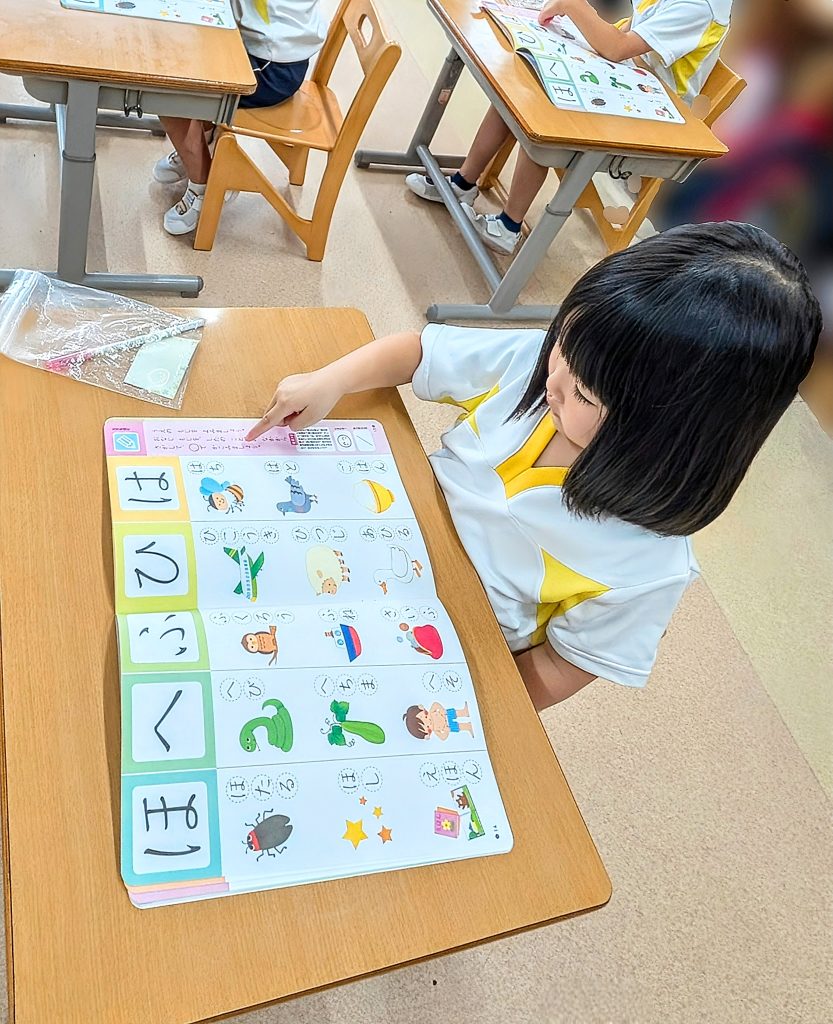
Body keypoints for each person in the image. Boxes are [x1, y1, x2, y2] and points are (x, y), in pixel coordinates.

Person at [245, 222, 821, 708]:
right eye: (562, 342)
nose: (554, 381)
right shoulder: (550, 363)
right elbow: (419, 353)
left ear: (675, 436)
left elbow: (559, 667)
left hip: (436, 639)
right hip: (376, 535)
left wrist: (466, 705)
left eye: (584, 394)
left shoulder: (647, 567)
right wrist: (329, 380)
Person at [406, 0, 733, 254]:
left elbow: (619, 47)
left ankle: (508, 225)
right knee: (526, 75)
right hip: (626, 79)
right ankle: (463, 182)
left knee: (545, 106)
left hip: (650, 111)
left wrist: (575, 7)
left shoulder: (701, 7)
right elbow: (627, 37)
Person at [157, 0, 326, 236]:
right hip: (268, 45)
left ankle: (205, 184)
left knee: (166, 83)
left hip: (271, 66)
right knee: (188, 42)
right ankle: (200, 147)